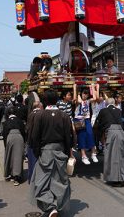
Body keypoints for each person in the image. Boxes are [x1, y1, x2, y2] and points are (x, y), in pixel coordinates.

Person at [29, 89, 71, 217]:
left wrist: (37, 152)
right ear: (57, 100)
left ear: (44, 101)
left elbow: (34, 136)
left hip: (45, 150)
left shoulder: (40, 115)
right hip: (60, 150)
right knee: (59, 180)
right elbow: (68, 137)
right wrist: (67, 153)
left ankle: (50, 206)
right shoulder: (64, 115)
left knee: (41, 180)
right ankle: (57, 206)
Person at [96, 98, 124, 187]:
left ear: (106, 104)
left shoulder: (103, 111)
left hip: (111, 133)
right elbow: (123, 122)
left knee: (112, 156)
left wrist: (99, 137)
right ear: (114, 103)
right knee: (123, 155)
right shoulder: (119, 111)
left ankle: (116, 179)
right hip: (121, 132)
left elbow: (99, 124)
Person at [73, 84, 98, 165]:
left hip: (86, 120)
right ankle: (84, 156)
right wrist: (75, 89)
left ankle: (93, 153)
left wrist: (93, 87)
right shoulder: (78, 101)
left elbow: (95, 98)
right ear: (81, 94)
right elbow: (78, 100)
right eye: (84, 93)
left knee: (90, 134)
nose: (85, 95)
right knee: (82, 136)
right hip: (79, 120)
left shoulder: (88, 101)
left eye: (87, 94)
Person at [3, 107, 26, 186]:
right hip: (19, 137)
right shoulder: (20, 121)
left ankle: (10, 173)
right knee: (18, 157)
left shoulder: (6, 122)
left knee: (9, 156)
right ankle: (17, 177)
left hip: (9, 137)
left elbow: (4, 133)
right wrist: (24, 142)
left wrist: (5, 144)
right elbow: (23, 131)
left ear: (8, 113)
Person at [26, 101, 43, 183]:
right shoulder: (41, 114)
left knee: (31, 162)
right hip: (39, 142)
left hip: (30, 141)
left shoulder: (30, 114)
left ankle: (31, 179)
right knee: (38, 162)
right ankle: (37, 180)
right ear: (39, 106)